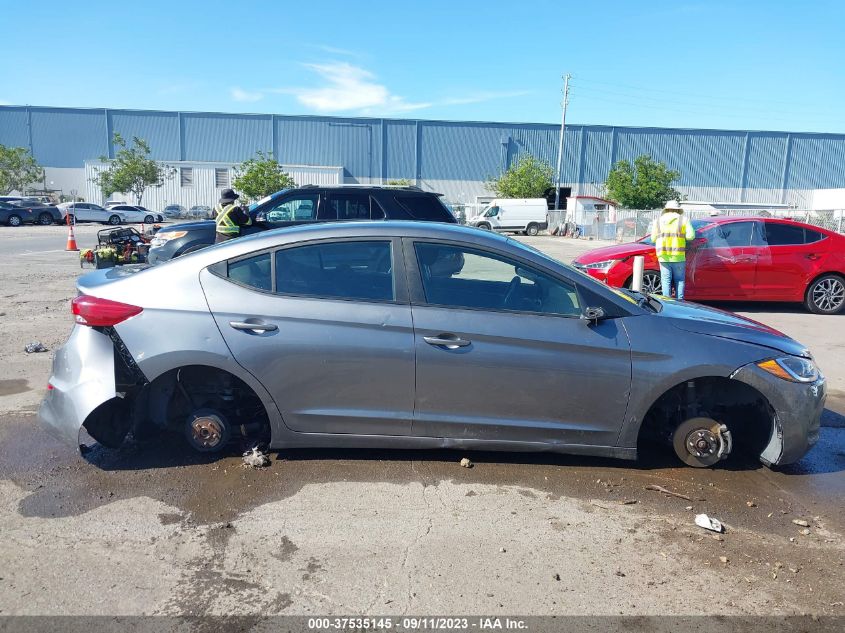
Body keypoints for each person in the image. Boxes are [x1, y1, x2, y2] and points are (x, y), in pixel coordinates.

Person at [651, 200, 695, 300]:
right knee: (679, 280)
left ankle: (667, 303)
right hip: (678, 256)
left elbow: (653, 239)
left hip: (663, 256)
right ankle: (680, 303)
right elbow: (691, 236)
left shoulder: (657, 221)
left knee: (666, 280)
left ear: (666, 209)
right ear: (678, 210)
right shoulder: (684, 220)